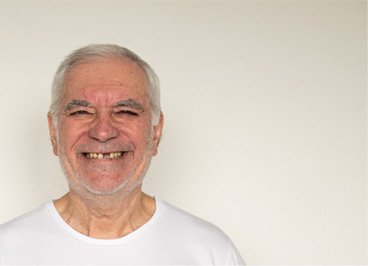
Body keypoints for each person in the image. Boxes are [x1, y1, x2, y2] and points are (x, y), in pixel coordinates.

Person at [0, 44, 245, 265]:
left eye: (125, 111)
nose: (103, 131)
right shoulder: (6, 251)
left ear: (156, 132)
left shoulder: (210, 252)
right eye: (82, 112)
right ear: (54, 132)